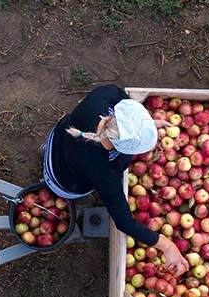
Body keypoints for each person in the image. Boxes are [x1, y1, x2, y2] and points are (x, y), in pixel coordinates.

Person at [45, 85, 186, 276]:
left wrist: (145, 127)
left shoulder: (101, 100)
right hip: (63, 179)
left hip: (60, 138)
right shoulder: (106, 171)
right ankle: (74, 205)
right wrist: (167, 246)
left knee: (70, 155)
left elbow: (121, 105)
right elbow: (125, 222)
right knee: (77, 193)